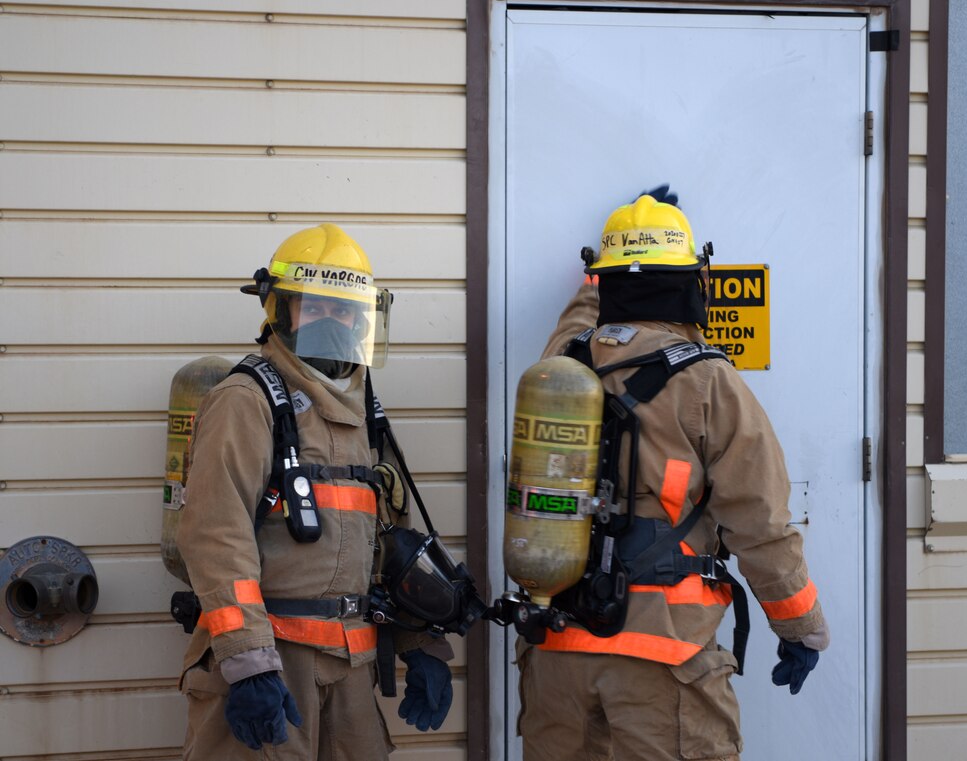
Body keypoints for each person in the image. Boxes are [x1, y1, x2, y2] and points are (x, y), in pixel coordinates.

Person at [517, 190, 829, 761]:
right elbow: (760, 524)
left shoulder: (561, 365)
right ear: (692, 282)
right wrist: (800, 626)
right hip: (663, 662)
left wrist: (607, 266)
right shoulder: (711, 382)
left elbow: (584, 311)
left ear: (606, 282)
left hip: (556, 654)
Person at [177, 223, 453, 759]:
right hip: (272, 666)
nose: (333, 321)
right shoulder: (246, 400)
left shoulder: (364, 409)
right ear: (280, 310)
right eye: (315, 307)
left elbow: (392, 539)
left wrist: (422, 644)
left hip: (352, 670)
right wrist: (249, 663)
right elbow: (216, 538)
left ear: (364, 318)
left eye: (345, 311)